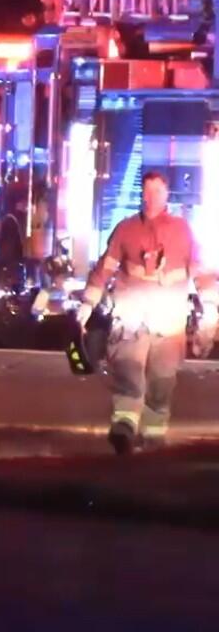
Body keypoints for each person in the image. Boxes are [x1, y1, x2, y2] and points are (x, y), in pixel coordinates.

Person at [76, 171, 217, 454]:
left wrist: (211, 308)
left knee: (161, 384)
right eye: (148, 191)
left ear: (166, 195)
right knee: (129, 377)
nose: (152, 197)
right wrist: (87, 304)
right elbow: (105, 269)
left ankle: (153, 442)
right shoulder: (126, 230)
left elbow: (201, 272)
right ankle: (124, 430)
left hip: (168, 325)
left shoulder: (182, 231)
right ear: (142, 195)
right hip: (131, 322)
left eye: (157, 191)